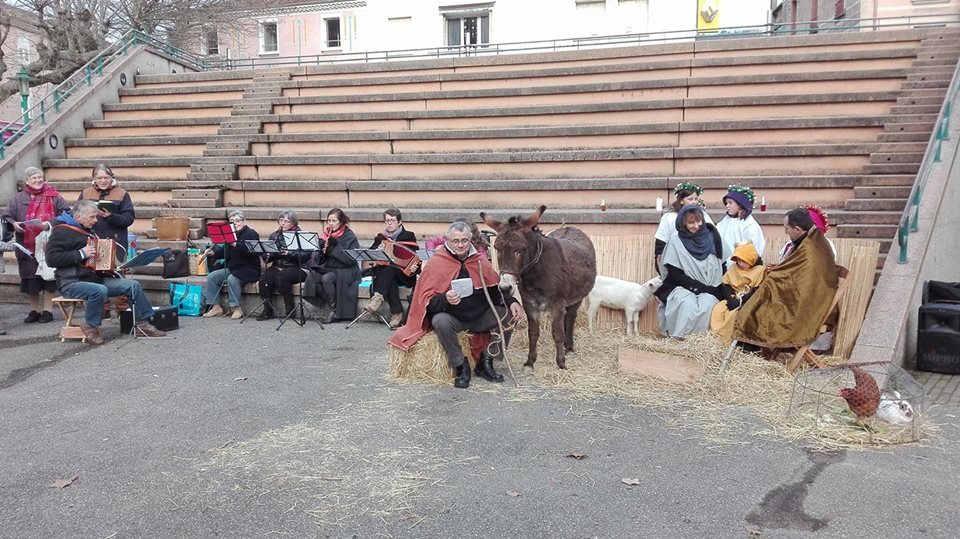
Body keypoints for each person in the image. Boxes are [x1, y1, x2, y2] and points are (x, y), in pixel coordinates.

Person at [390, 221, 524, 389]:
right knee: (440, 321)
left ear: (470, 240)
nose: (460, 245)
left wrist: (512, 302)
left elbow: (495, 290)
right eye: (455, 241)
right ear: (448, 241)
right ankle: (461, 365)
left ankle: (486, 361)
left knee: (510, 315)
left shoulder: (479, 260)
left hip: (480, 315)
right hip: (454, 318)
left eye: (464, 240)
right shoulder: (437, 263)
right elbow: (427, 304)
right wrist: (445, 299)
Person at [44, 200, 165, 344]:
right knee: (99, 290)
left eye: (96, 217)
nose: (95, 221)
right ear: (78, 217)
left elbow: (95, 261)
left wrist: (112, 267)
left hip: (94, 279)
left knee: (132, 285)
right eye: (92, 217)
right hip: (71, 283)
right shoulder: (61, 231)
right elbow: (51, 259)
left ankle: (142, 324)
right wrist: (81, 254)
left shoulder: (88, 231)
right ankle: (90, 326)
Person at [2, 167, 70, 324]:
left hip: (49, 243)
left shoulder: (54, 196)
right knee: (29, 278)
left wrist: (49, 223)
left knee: (48, 277)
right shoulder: (18, 199)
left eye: (40, 177)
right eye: (34, 178)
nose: (38, 180)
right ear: (27, 181)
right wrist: (15, 224)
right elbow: (7, 216)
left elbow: (67, 214)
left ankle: (47, 310)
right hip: (26, 245)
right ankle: (35, 310)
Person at [655, 205, 729, 338]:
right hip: (683, 286)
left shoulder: (714, 237)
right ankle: (680, 339)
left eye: (698, 221)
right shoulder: (675, 241)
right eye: (691, 222)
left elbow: (722, 265)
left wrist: (716, 288)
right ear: (683, 223)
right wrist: (700, 288)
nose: (696, 225)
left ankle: (702, 340)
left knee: (707, 304)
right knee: (686, 304)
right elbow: (675, 274)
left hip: (712, 286)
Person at [364, 208, 419, 328]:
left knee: (390, 270)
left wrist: (414, 266)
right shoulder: (380, 237)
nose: (389, 223)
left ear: (399, 222)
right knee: (388, 273)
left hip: (404, 274)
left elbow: (415, 256)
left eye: (392, 220)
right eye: (387, 221)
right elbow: (371, 253)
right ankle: (396, 313)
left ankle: (378, 298)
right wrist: (377, 250)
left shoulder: (409, 236)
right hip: (388, 274)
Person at [202, 209, 261, 319]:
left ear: (244, 221)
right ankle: (216, 307)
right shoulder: (230, 235)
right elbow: (225, 251)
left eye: (238, 221)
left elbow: (249, 250)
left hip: (249, 269)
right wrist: (212, 252)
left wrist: (234, 243)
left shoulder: (251, 234)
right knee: (212, 277)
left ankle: (236, 308)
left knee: (232, 279)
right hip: (233, 268)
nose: (235, 223)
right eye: (232, 221)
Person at [257, 210, 311, 321]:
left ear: (293, 223)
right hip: (278, 266)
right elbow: (269, 256)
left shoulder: (300, 236)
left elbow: (305, 256)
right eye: (281, 220)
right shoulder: (274, 235)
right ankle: (268, 310)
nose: (282, 223)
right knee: (264, 278)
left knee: (282, 277)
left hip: (298, 267)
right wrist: (267, 255)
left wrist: (290, 253)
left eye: (286, 221)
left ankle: (290, 309)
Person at [709, 243, 766, 344]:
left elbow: (756, 291)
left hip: (747, 300)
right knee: (718, 309)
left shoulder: (760, 271)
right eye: (738, 261)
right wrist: (730, 298)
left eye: (744, 261)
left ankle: (725, 340)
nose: (741, 264)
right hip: (732, 296)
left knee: (733, 315)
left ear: (751, 259)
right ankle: (715, 337)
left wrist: (739, 302)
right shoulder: (734, 268)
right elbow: (726, 284)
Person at [312, 208, 361, 324]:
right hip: (330, 267)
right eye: (329, 220)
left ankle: (334, 311)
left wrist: (334, 247)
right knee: (312, 278)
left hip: (347, 270)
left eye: (334, 221)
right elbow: (320, 260)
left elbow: (350, 259)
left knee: (326, 278)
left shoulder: (349, 235)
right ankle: (336, 308)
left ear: (341, 222)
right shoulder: (325, 235)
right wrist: (321, 250)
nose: (331, 224)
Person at [77, 164, 135, 260]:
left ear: (112, 178)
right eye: (99, 178)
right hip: (91, 240)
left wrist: (111, 216)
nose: (103, 181)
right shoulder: (85, 193)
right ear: (94, 179)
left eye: (106, 178)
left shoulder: (122, 194)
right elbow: (77, 215)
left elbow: (129, 219)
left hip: (115, 240)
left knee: (115, 271)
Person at [654, 182, 713, 274]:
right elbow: (661, 240)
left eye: (696, 199)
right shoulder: (670, 217)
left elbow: (712, 235)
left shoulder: (704, 216)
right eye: (690, 199)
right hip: (675, 258)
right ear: (681, 200)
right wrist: (660, 260)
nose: (694, 202)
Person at [715, 184, 765, 262]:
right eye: (726, 203)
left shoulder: (749, 224)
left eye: (730, 203)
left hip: (741, 265)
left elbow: (754, 247)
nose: (727, 206)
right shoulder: (725, 221)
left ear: (740, 204)